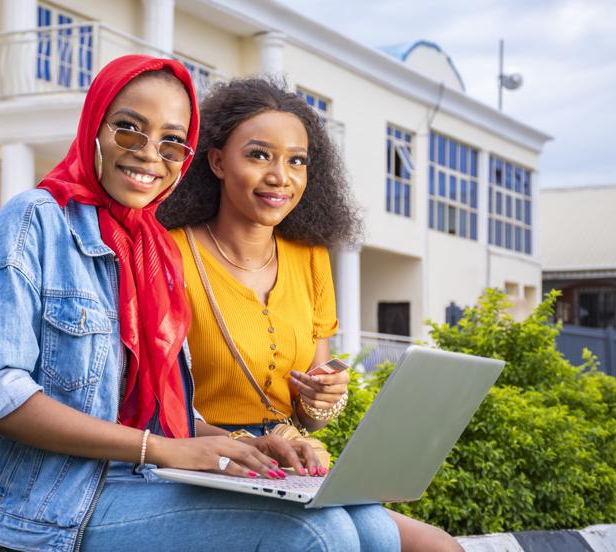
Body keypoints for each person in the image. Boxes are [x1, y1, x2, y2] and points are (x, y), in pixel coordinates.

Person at [0, 56, 400, 552]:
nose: (148, 155)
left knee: (374, 531)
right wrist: (160, 448)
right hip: (56, 498)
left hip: (142, 477)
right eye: (128, 130)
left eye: (170, 141)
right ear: (93, 126)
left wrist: (244, 446)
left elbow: (157, 411)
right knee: (318, 533)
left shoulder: (151, 247)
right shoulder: (34, 220)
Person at [157, 77, 463, 552]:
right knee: (354, 537)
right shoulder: (170, 254)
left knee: (438, 546)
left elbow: (312, 416)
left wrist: (324, 398)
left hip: (295, 461)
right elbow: (152, 407)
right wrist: (247, 444)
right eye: (259, 155)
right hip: (210, 462)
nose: (282, 175)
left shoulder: (311, 257)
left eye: (297, 160)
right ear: (217, 161)